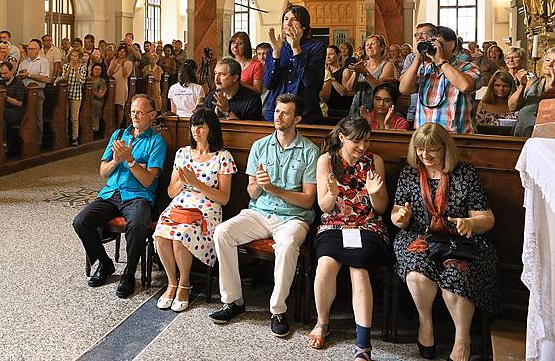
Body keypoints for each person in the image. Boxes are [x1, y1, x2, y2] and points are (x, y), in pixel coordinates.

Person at [209, 94, 319, 336]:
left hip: (293, 217)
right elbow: (251, 190)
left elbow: (309, 200)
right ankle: (233, 301)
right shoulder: (259, 146)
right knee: (222, 232)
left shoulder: (311, 151)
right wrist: (259, 185)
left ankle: (277, 310)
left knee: (288, 244)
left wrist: (273, 188)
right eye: (277, 111)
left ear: (297, 118)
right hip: (259, 212)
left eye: (285, 113)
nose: (278, 117)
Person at [391, 123, 500, 361]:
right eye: (420, 149)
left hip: (460, 241)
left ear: (445, 149)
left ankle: (462, 339)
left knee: (456, 276)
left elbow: (487, 218)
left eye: (433, 150)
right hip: (419, 236)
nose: (425, 155)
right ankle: (425, 324)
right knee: (417, 272)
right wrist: (401, 218)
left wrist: (471, 223)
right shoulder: (410, 173)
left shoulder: (464, 173)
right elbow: (397, 215)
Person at [309, 116, 389, 359]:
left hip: (367, 226)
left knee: (359, 269)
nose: (363, 147)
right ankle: (322, 323)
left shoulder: (375, 161)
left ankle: (363, 342)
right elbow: (324, 207)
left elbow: (382, 208)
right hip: (334, 225)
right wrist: (331, 194)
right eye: (357, 141)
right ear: (342, 138)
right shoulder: (326, 161)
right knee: (325, 266)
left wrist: (375, 194)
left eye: (366, 140)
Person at [73, 94, 167, 298]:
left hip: (138, 196)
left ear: (152, 116)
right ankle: (105, 264)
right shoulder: (118, 135)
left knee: (138, 224)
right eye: (133, 112)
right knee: (81, 221)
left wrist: (131, 160)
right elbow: (104, 172)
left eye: (140, 112)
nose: (135, 116)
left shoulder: (157, 142)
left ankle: (129, 274)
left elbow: (148, 180)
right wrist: (116, 161)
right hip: (111, 193)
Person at [153, 109, 234, 312]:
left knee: (181, 235)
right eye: (193, 126)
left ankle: (185, 284)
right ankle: (172, 282)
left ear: (211, 129)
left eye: (201, 126)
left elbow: (224, 198)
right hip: (180, 204)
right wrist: (183, 180)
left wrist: (197, 183)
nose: (196, 131)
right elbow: (171, 192)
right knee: (161, 234)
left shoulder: (222, 157)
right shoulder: (183, 153)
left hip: (207, 209)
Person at [399, 26, 480, 134]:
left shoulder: (468, 67)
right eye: (429, 42)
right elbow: (404, 89)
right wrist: (418, 59)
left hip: (457, 137)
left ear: (451, 45)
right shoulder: (425, 69)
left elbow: (465, 86)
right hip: (425, 135)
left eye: (435, 42)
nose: (432, 46)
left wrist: (441, 61)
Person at [263, 5, 327, 125]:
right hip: (276, 113)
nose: (289, 23)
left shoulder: (317, 47)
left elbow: (310, 82)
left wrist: (296, 49)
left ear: (303, 25)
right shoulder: (275, 48)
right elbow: (268, 84)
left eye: (294, 19)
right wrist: (276, 54)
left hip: (304, 114)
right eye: (286, 19)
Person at [343, 34, 396, 116]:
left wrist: (364, 72)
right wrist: (356, 73)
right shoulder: (361, 64)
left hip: (377, 111)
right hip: (357, 108)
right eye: (367, 45)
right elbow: (350, 88)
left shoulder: (387, 65)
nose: (369, 47)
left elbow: (380, 88)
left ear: (382, 47)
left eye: (373, 44)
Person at [510, 46, 555, 136]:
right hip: (522, 135)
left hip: (545, 138)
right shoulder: (531, 82)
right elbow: (512, 107)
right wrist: (521, 86)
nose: (549, 64)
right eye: (547, 60)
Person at [18, 38, 49, 144]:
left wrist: (29, 75)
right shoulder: (24, 62)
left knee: (37, 117)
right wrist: (22, 75)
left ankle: (38, 141)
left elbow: (45, 78)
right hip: (24, 92)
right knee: (24, 117)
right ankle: (26, 140)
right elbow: (18, 77)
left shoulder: (43, 61)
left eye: (32, 49)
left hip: (37, 92)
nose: (29, 51)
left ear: (38, 50)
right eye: (28, 49)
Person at [60, 49, 87, 146]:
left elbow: (82, 81)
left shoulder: (82, 68)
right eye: (72, 56)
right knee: (64, 115)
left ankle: (74, 137)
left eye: (76, 56)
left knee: (74, 117)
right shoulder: (66, 66)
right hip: (65, 94)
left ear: (79, 57)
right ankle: (64, 135)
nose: (73, 58)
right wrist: (68, 70)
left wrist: (76, 71)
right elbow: (63, 78)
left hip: (76, 95)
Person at [321, 44, 353, 117]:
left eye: (331, 54)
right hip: (325, 109)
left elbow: (343, 92)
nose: (328, 57)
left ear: (338, 55)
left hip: (340, 110)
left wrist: (331, 77)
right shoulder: (322, 72)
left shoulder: (345, 71)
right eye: (326, 54)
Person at [0, 61, 25, 142]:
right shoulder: (0, 82)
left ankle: (3, 141)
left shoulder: (18, 83)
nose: (3, 76)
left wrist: (6, 98)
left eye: (5, 73)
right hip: (3, 109)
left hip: (15, 112)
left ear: (11, 71)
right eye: (1, 73)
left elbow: (19, 103)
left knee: (0, 114)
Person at [108, 44, 134, 128]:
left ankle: (119, 125)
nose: (121, 53)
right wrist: (116, 64)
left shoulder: (129, 63)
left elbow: (126, 75)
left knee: (120, 106)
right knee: (111, 105)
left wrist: (122, 65)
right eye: (120, 51)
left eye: (123, 52)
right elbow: (109, 73)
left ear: (126, 53)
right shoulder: (113, 61)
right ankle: (111, 124)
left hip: (122, 86)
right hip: (113, 85)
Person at [88, 63, 108, 133]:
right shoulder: (88, 79)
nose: (97, 71)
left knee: (94, 104)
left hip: (97, 101)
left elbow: (100, 95)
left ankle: (95, 127)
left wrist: (91, 90)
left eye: (99, 70)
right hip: (88, 99)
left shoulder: (102, 81)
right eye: (95, 69)